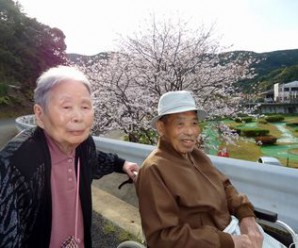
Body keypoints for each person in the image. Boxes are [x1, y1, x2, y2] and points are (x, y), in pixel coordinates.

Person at [0, 65, 139, 248]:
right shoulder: (16, 163)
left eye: (85, 106)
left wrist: (122, 164)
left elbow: (95, 160)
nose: (78, 116)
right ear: (40, 115)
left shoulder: (84, 145)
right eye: (66, 106)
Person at [136, 91, 285, 248]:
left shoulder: (196, 155)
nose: (190, 131)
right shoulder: (154, 170)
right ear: (161, 128)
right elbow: (162, 237)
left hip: (233, 231)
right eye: (180, 124)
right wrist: (229, 241)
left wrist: (246, 216)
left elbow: (225, 187)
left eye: (194, 123)